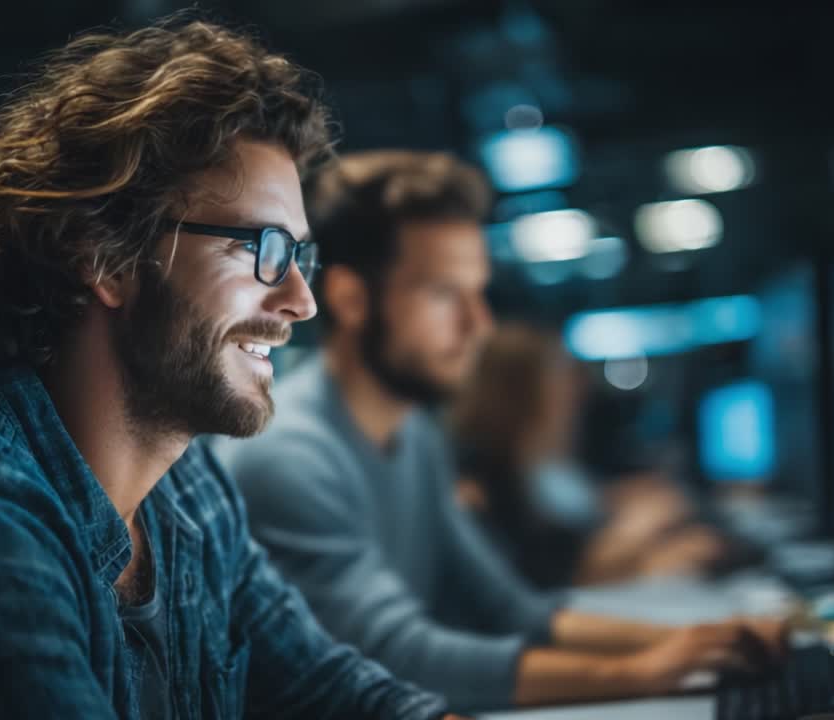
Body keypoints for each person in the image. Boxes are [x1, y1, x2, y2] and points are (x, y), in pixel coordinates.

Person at [0, 18, 455, 720]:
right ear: (107, 257)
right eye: (265, 248)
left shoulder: (188, 493)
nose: (301, 300)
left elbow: (328, 691)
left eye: (299, 256)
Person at [218, 150, 788, 712]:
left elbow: (510, 611)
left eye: (478, 292)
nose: (479, 325)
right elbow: (391, 654)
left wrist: (694, 641)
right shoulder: (289, 451)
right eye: (445, 294)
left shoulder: (414, 432)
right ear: (351, 298)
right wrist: (641, 671)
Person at [450, 323, 731, 589]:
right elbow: (542, 581)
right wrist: (643, 543)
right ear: (520, 393)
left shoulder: (529, 466)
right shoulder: (482, 482)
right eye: (558, 377)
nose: (574, 392)